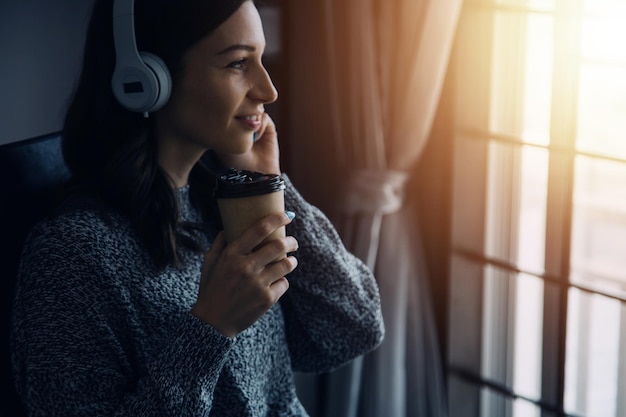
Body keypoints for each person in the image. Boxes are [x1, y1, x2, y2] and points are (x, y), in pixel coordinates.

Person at [10, 0, 385, 415]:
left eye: (260, 58)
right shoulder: (70, 255)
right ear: (147, 79)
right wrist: (211, 328)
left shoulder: (222, 207)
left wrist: (269, 185)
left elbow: (353, 329)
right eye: (239, 64)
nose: (269, 90)